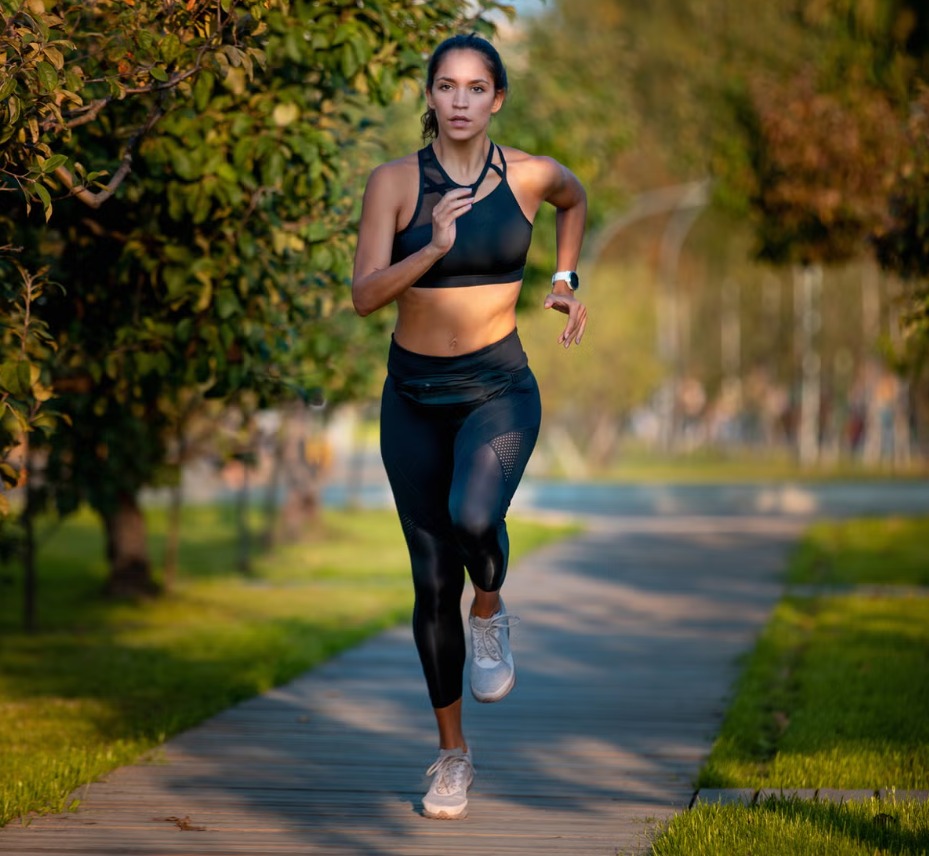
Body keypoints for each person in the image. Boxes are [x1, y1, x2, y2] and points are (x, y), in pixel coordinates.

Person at [351, 32, 588, 820]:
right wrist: (435, 247)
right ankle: (452, 757)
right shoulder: (393, 184)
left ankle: (491, 605)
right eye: (445, 86)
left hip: (497, 386)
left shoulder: (529, 175)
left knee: (474, 518)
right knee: (428, 581)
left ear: (497, 99)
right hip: (412, 397)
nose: (459, 100)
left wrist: (563, 277)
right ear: (428, 96)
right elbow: (364, 295)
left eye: (475, 87)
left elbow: (574, 198)